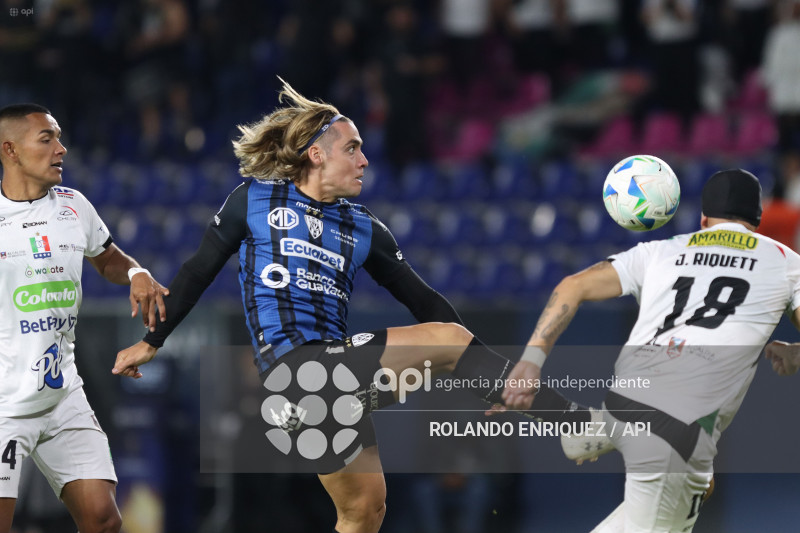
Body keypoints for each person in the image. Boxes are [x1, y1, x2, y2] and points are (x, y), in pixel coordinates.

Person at [112, 78, 596, 533]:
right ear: (316, 154)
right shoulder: (254, 201)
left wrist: (479, 372)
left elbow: (424, 300)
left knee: (365, 511)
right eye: (352, 148)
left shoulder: (364, 228)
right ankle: (576, 423)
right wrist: (152, 341)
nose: (364, 159)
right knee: (450, 340)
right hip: (295, 375)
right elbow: (198, 271)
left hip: (330, 383)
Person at [502, 168, 800, 532]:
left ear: (703, 218)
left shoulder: (660, 250)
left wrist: (532, 360)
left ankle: (576, 422)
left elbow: (571, 286)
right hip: (677, 428)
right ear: (757, 220)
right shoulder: (786, 262)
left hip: (623, 402)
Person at [0, 104, 169, 533]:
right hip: (4, 404)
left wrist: (136, 271)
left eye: (59, 137)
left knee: (103, 519)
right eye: (47, 139)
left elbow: (107, 257)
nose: (62, 149)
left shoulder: (74, 206)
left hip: (61, 395)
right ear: (10, 150)